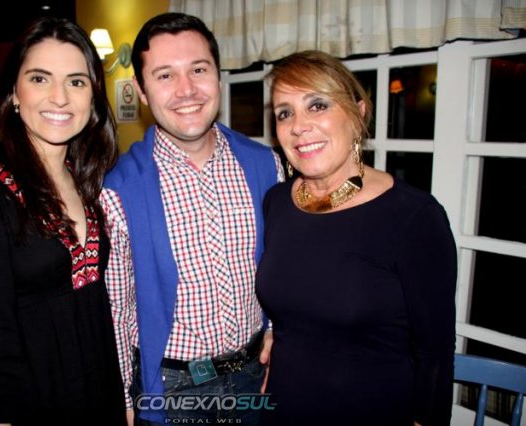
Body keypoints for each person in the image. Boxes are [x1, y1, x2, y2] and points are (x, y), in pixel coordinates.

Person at [0, 17, 126, 425]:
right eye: (40, 78)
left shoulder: (87, 184)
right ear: (14, 94)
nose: (60, 97)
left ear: (93, 97)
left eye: (76, 82)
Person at [100, 12, 284, 425]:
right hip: (173, 388)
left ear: (217, 76)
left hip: (255, 374)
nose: (186, 90)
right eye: (165, 75)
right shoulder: (119, 191)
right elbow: (116, 311)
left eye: (199, 70)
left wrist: (276, 328)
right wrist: (125, 398)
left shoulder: (265, 164)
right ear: (141, 91)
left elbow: (280, 261)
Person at [256, 50, 457, 425]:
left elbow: (435, 353)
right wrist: (271, 334)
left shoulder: (414, 217)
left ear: (358, 114)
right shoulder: (276, 203)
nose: (298, 126)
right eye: (285, 113)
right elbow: (293, 307)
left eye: (317, 105)